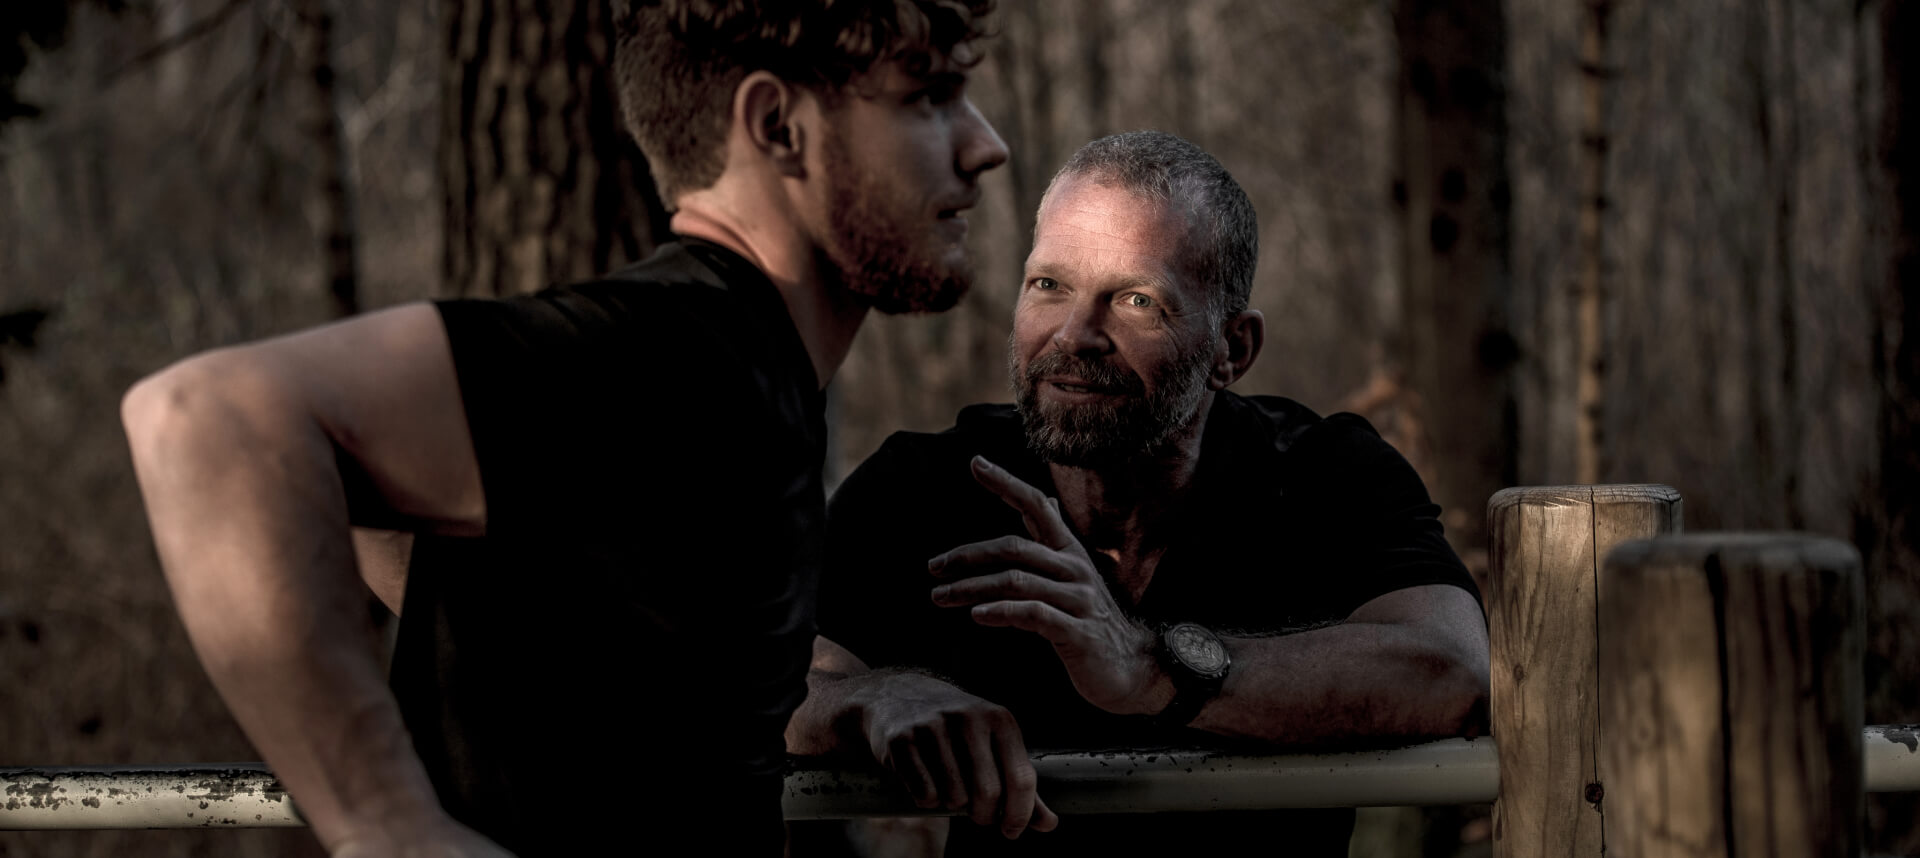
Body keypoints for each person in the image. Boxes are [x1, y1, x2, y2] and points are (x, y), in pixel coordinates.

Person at [118, 2, 1008, 855]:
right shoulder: (674, 352)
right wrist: (387, 824)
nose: (985, 146)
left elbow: (411, 525)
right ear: (777, 125)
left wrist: (850, 696)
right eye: (926, 98)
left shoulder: (748, 380)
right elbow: (209, 419)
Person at [785, 131, 1489, 856]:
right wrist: (871, 699)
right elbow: (765, 680)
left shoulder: (1324, 473)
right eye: (1048, 285)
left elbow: (1451, 671)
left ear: (1233, 350)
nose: (1076, 335)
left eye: (1136, 300)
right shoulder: (924, 485)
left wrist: (1151, 671)